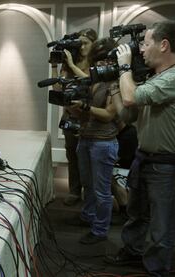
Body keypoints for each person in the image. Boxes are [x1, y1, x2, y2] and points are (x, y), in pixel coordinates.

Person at [106, 21, 175, 276]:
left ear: (164, 44)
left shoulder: (173, 78)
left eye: (146, 43)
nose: (141, 50)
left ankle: (157, 269)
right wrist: (116, 83)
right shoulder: (154, 78)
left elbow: (130, 97)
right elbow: (128, 114)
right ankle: (133, 253)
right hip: (144, 157)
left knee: (162, 224)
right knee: (136, 214)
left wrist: (125, 67)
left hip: (166, 164)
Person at [70, 38, 119, 244]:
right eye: (98, 61)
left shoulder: (117, 83)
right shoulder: (94, 81)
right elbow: (85, 114)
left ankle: (100, 230)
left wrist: (85, 107)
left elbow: (109, 114)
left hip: (103, 142)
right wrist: (72, 106)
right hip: (86, 138)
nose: (101, 65)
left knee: (102, 191)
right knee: (87, 185)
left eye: (106, 60)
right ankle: (88, 216)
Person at [51, 28, 98, 206]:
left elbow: (91, 83)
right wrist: (55, 65)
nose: (82, 46)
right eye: (80, 43)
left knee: (89, 157)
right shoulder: (71, 61)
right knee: (72, 155)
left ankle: (90, 192)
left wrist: (71, 65)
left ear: (94, 43)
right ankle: (74, 191)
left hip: (90, 116)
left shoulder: (97, 62)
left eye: (85, 43)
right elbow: (57, 89)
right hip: (70, 116)